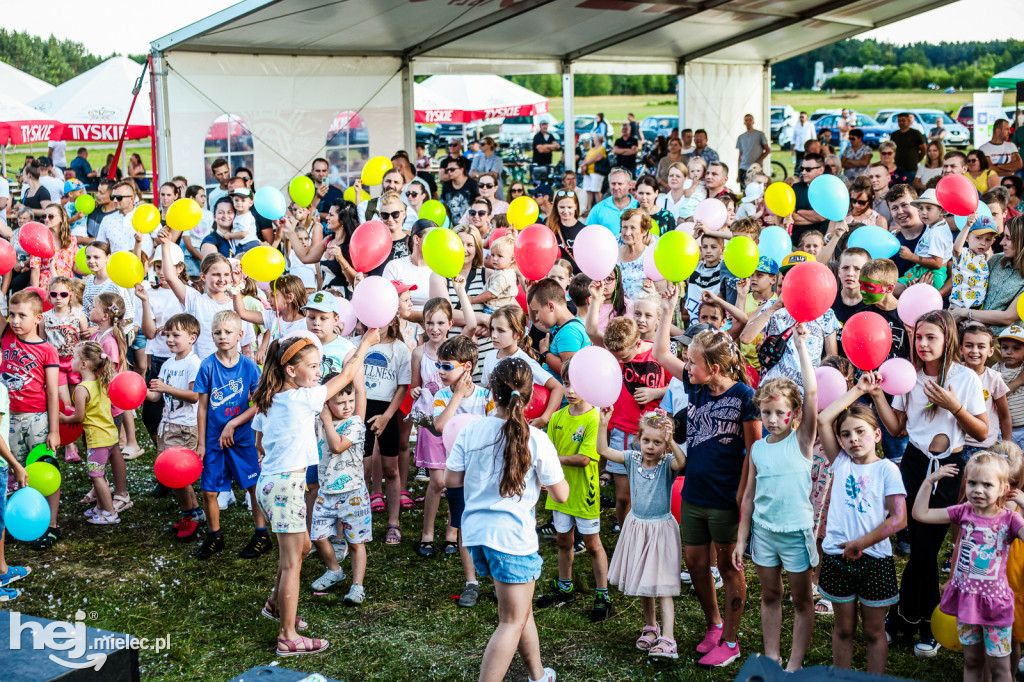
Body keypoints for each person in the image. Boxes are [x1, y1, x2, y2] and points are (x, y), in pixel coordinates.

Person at [868, 311, 988, 656]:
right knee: (917, 548)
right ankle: (917, 620)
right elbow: (896, 429)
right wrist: (877, 396)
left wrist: (955, 408)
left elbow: (981, 432)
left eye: (931, 337)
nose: (922, 344)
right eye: (918, 337)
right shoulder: (909, 377)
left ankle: (909, 619)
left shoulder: (964, 378)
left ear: (947, 339)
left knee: (925, 552)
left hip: (949, 468)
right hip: (914, 464)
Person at [253, 331, 376, 656]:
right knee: (293, 562)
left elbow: (261, 443)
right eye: (313, 365)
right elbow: (349, 374)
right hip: (286, 487)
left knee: (302, 546)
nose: (319, 371)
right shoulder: (302, 398)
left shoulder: (272, 397)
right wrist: (365, 343)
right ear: (291, 370)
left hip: (268, 484)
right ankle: (288, 636)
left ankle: (274, 604)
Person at [444, 357, 566, 682]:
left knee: (519, 612)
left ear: (491, 392)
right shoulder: (537, 439)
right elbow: (562, 495)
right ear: (529, 397)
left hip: (476, 537)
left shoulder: (471, 429)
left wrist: (464, 518)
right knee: (511, 620)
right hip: (511, 540)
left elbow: (451, 481)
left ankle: (538, 675)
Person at [653, 302, 760, 668]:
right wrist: (668, 309)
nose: (686, 366)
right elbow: (660, 353)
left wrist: (743, 496)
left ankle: (731, 641)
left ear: (713, 368)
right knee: (696, 565)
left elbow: (753, 452)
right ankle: (714, 625)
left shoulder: (746, 399)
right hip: (694, 493)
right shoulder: (696, 388)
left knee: (729, 568)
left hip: (726, 500)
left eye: (693, 362)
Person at [733, 326, 818, 671]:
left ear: (794, 415)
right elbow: (749, 498)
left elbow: (811, 393)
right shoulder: (757, 450)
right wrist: (742, 540)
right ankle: (772, 656)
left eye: (779, 413)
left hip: (796, 533)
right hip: (764, 534)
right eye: (765, 413)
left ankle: (795, 664)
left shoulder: (801, 442)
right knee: (770, 595)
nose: (771, 419)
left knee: (801, 601)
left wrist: (800, 347)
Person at [816, 382, 908, 675]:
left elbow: (898, 519)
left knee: (873, 632)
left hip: (874, 561)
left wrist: (861, 543)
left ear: (877, 434)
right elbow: (823, 419)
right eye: (846, 434)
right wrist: (858, 389)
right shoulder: (840, 463)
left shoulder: (887, 470)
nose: (853, 439)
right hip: (837, 558)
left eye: (860, 431)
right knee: (843, 629)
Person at [914, 454, 1024, 681]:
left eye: (987, 484)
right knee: (972, 661)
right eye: (972, 483)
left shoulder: (1010, 519)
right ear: (965, 482)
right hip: (967, 601)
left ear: (1003, 488)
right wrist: (928, 482)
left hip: (996, 607)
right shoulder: (964, 511)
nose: (978, 490)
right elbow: (920, 514)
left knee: (1000, 669)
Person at [597, 405, 685, 659]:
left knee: (663, 586)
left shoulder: (667, 463)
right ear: (638, 439)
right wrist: (604, 423)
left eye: (657, 442)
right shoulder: (632, 458)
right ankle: (651, 626)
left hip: (660, 529)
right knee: (644, 582)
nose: (650, 446)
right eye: (646, 440)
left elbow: (682, 462)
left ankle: (668, 637)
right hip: (637, 527)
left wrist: (672, 442)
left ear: (664, 445)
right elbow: (602, 450)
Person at [534, 358, 609, 620]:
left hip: (584, 495)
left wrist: (553, 461)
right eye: (566, 384)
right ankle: (565, 587)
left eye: (576, 385)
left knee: (592, 545)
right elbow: (547, 450)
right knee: (563, 540)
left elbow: (585, 459)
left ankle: (603, 594)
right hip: (560, 493)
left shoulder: (594, 419)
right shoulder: (556, 418)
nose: (570, 391)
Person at [411, 292, 478, 558]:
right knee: (437, 482)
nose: (434, 328)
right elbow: (415, 383)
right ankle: (427, 533)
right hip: (433, 422)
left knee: (455, 481)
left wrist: (461, 291)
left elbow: (471, 325)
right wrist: (415, 391)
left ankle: (453, 532)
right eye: (429, 323)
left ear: (450, 323)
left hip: (457, 424)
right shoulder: (419, 353)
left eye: (440, 323)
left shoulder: (457, 349)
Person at [1, 290, 61, 549]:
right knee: (15, 471)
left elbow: (52, 393)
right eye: (11, 315)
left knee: (45, 471)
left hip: (37, 419)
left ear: (37, 318)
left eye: (22, 316)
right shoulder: (6, 337)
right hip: (10, 418)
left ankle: (51, 524)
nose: (15, 320)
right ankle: (22, 518)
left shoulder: (47, 350)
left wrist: (54, 430)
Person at [309, 379, 370, 604]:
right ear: (326, 403)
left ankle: (357, 586)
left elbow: (336, 446)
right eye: (341, 402)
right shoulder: (318, 422)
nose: (347, 406)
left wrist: (326, 421)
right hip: (326, 492)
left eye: (351, 400)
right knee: (318, 536)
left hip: (353, 494)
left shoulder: (355, 423)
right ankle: (334, 570)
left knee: (356, 542)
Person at [143, 313, 204, 538]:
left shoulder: (194, 363)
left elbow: (194, 396)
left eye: (175, 335)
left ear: (192, 338)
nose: (169, 339)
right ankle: (192, 513)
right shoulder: (168, 364)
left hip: (186, 427)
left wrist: (166, 387)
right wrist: (139, 392)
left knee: (180, 475)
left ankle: (192, 516)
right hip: (167, 426)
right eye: (167, 334)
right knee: (171, 475)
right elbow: (156, 398)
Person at [60, 341, 119, 524]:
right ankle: (101, 507)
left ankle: (110, 514)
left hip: (97, 440)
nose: (71, 360)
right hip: (110, 436)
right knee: (99, 475)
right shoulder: (102, 383)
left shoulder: (81, 389)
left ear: (84, 364)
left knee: (97, 477)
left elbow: (78, 417)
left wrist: (62, 419)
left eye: (75, 357)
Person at [958, 324, 1012, 457]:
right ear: (961, 349)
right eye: (969, 345)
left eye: (981, 346)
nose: (974, 351)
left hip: (985, 446)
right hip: (956, 443)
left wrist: (1007, 449)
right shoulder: (954, 374)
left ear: (991, 351)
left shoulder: (994, 379)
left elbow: (1004, 416)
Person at [528, 278, 591, 378]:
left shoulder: (569, 332)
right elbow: (535, 322)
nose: (536, 317)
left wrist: (545, 353)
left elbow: (568, 371)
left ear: (551, 307)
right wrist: (529, 293)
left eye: (537, 312)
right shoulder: (562, 326)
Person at [951, 216, 999, 310]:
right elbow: (956, 249)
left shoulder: (984, 257)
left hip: (978, 307)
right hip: (959, 307)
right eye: (978, 238)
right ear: (967, 237)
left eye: (988, 240)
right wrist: (967, 226)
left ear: (993, 241)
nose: (983, 243)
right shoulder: (964, 254)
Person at [790, 153, 830, 247]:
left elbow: (821, 216)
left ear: (821, 170)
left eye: (808, 169)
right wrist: (817, 217)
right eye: (802, 169)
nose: (803, 172)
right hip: (797, 244)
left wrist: (798, 211)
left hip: (819, 247)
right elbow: (791, 218)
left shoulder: (828, 189)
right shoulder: (795, 188)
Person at [586, 168, 638, 237]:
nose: (616, 188)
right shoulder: (598, 209)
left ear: (629, 185)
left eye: (620, 184)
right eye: (613, 184)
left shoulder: (638, 206)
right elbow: (587, 235)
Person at [996, 326, 1024, 450]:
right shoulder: (996, 369)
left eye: (1016, 348)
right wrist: (1020, 381)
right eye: (1005, 347)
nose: (1009, 352)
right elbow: (996, 395)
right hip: (1002, 428)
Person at [548, 189, 586, 274]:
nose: (565, 211)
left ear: (576, 206)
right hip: (555, 277)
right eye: (562, 207)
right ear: (556, 207)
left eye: (569, 207)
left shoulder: (584, 230)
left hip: (577, 280)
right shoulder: (549, 228)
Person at [890, 113, 927, 186]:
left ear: (908, 121)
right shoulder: (895, 135)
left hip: (911, 168)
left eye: (903, 120)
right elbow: (891, 149)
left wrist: (917, 159)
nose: (901, 123)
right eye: (899, 121)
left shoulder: (916, 133)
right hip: (897, 168)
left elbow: (923, 149)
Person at [441, 158, 478, 223]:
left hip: (472, 225)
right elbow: (447, 209)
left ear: (461, 170)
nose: (449, 172)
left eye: (452, 169)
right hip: (456, 227)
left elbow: (479, 206)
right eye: (447, 170)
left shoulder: (473, 184)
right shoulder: (446, 186)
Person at [735, 114, 769, 185]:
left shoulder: (760, 135)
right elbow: (740, 155)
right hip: (743, 167)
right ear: (744, 122)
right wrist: (738, 173)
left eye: (750, 120)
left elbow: (767, 150)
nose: (748, 122)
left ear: (753, 122)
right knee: (744, 189)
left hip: (755, 168)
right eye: (746, 120)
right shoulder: (741, 137)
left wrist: (758, 161)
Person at [578, 135, 608, 211]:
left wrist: (585, 164)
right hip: (588, 172)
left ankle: (599, 208)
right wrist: (584, 165)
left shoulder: (601, 148)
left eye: (595, 139)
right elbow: (586, 157)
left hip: (596, 171)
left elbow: (597, 158)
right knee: (588, 190)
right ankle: (589, 207)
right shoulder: (592, 149)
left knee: (596, 190)